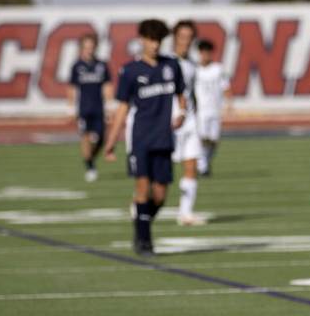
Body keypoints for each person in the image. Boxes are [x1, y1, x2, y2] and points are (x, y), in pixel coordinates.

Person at [104, 19, 186, 256]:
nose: (155, 45)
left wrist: (181, 113)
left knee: (160, 195)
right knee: (142, 188)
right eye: (150, 40)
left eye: (158, 40)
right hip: (140, 138)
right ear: (141, 40)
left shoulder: (172, 66)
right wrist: (110, 143)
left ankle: (141, 223)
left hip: (164, 138)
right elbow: (122, 109)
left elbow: (182, 95)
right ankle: (144, 241)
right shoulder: (130, 71)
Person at [170, 19, 206, 225]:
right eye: (182, 36)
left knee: (191, 165)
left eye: (189, 37)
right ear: (175, 37)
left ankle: (185, 213)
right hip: (168, 122)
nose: (185, 41)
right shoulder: (166, 61)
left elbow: (192, 94)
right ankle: (140, 202)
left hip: (189, 121)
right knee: (158, 171)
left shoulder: (192, 65)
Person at [67, 33, 112, 182]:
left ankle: (90, 158)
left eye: (91, 47)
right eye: (86, 47)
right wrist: (71, 108)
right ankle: (90, 166)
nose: (89, 50)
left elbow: (107, 86)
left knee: (101, 139)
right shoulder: (77, 66)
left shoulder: (101, 65)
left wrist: (110, 106)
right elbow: (72, 87)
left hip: (98, 107)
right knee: (85, 136)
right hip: (84, 108)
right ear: (82, 48)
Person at [193, 39, 231, 176]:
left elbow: (225, 87)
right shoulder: (195, 70)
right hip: (201, 111)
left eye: (207, 52)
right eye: (202, 52)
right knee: (203, 138)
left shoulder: (217, 69)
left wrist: (229, 103)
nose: (205, 55)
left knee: (214, 140)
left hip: (215, 109)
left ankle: (205, 162)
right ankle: (202, 166)